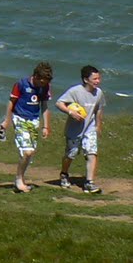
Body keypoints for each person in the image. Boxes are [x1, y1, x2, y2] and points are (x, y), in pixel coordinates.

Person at [0, 61, 52, 193]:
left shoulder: (45, 87)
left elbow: (44, 106)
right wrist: (7, 121)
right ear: (36, 77)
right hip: (20, 118)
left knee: (30, 153)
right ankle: (19, 180)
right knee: (27, 151)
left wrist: (46, 126)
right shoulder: (21, 84)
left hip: (34, 121)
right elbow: (11, 103)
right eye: (42, 81)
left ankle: (20, 178)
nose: (43, 84)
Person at [56, 64, 105, 193]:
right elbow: (59, 103)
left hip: (90, 128)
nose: (97, 81)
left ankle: (89, 182)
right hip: (74, 130)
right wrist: (70, 112)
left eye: (98, 78)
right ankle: (64, 174)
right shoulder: (75, 91)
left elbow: (99, 109)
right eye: (94, 79)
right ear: (85, 80)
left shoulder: (99, 93)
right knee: (70, 154)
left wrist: (98, 125)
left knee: (91, 153)